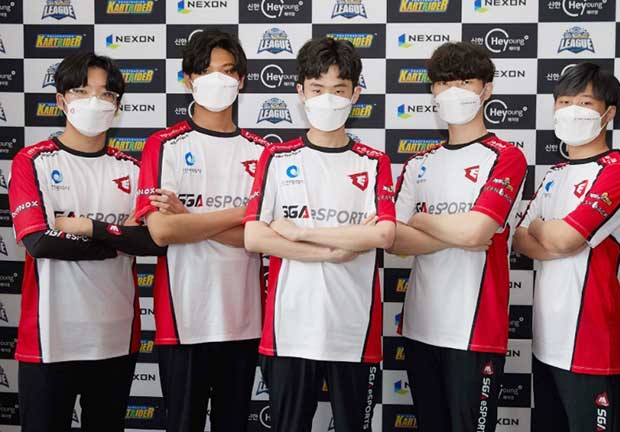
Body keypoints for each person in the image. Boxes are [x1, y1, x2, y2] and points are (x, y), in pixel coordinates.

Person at [8, 52, 167, 432]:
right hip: (50, 338)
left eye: (106, 94)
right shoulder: (32, 162)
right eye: (81, 91)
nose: (95, 101)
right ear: (61, 100)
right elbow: (39, 242)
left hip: (115, 337)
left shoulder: (132, 169)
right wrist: (118, 239)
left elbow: (154, 242)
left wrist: (86, 228)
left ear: (117, 106)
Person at [244, 37, 395, 432]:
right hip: (289, 331)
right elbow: (254, 238)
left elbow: (383, 236)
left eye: (339, 90)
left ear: (355, 94)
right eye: (317, 89)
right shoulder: (276, 157)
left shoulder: (374, 162)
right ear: (301, 93)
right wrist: (334, 249)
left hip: (354, 332)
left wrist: (298, 233)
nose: (328, 99)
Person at [388, 41, 527, 432]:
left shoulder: (506, 156)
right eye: (445, 83)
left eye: (465, 82)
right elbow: (394, 239)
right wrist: (456, 232)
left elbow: (477, 231)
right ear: (433, 90)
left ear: (486, 90)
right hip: (420, 326)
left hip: (475, 330)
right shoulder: (419, 163)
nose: (454, 92)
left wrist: (422, 220)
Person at [135, 29, 267, 432]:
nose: (217, 80)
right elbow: (161, 231)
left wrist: (189, 218)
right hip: (183, 321)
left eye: (227, 71)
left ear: (241, 79)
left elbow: (260, 237)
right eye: (206, 72)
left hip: (244, 321)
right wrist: (240, 214)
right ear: (189, 79)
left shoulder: (263, 152)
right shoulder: (164, 145)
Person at [513, 63, 620, 432]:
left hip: (594, 345)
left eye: (585, 103)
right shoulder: (554, 174)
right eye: (564, 102)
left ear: (608, 114)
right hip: (546, 342)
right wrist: (555, 234)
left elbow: (565, 238)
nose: (572, 111)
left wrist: (547, 229)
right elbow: (520, 237)